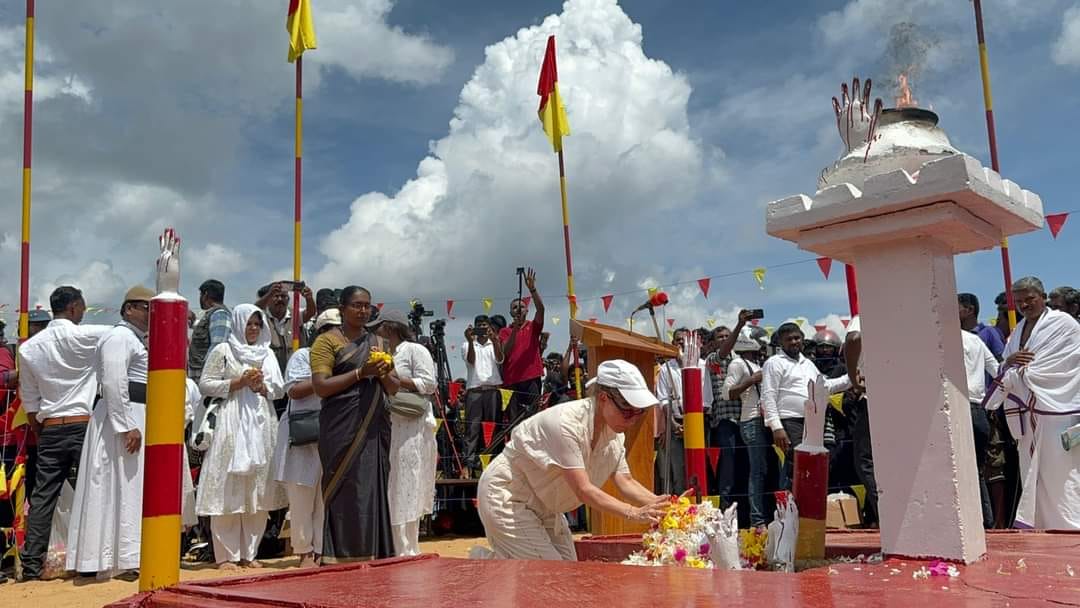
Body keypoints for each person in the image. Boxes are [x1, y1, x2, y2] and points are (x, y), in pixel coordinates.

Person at [478, 360, 674, 560]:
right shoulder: (566, 423)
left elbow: (626, 481)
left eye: (639, 411)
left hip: (546, 504)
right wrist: (634, 513)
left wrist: (669, 507)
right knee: (550, 575)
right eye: (627, 410)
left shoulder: (614, 436)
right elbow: (584, 490)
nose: (633, 419)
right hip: (508, 495)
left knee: (567, 570)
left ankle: (496, 571)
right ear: (604, 398)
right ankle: (482, 576)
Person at [16, 286, 111, 581]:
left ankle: (31, 566)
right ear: (72, 308)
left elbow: (30, 401)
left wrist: (41, 431)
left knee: (43, 497)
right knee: (92, 494)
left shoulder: (28, 348)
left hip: (51, 426)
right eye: (82, 307)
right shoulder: (92, 336)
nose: (83, 312)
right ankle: (90, 562)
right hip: (84, 424)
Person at [64, 286, 154, 580]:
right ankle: (120, 558)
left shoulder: (136, 340)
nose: (149, 313)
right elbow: (115, 382)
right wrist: (125, 424)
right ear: (128, 309)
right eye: (144, 307)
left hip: (134, 412)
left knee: (126, 488)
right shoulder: (119, 337)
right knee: (121, 486)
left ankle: (119, 555)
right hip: (123, 417)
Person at [310, 286, 399, 563]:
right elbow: (321, 387)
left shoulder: (379, 343)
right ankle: (339, 555)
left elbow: (394, 388)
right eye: (357, 305)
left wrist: (382, 374)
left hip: (373, 426)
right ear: (342, 308)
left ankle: (374, 552)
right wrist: (361, 372)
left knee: (371, 488)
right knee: (344, 488)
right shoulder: (326, 342)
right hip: (340, 427)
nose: (363, 311)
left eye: (367, 306)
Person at [984, 277, 1080, 529]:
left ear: (1043, 296)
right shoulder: (1017, 330)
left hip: (1055, 407)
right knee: (1030, 468)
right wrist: (1011, 363)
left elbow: (1062, 364)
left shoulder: (1063, 323)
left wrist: (1022, 372)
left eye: (1030, 299)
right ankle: (1040, 523)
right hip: (1026, 413)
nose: (1025, 305)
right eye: (1019, 301)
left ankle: (1070, 523)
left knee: (1060, 469)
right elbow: (1007, 365)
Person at [196, 304, 286, 569]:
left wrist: (261, 387)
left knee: (257, 491)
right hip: (231, 420)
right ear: (238, 324)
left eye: (258, 324)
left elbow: (279, 390)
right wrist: (238, 383)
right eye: (249, 324)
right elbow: (206, 383)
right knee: (227, 486)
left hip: (260, 420)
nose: (254, 329)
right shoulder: (224, 350)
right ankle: (225, 555)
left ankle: (249, 553)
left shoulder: (266, 354)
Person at [270, 309, 340, 568]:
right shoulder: (303, 355)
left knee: (325, 495)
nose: (335, 334)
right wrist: (323, 377)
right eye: (330, 329)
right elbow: (294, 391)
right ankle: (304, 552)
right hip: (302, 433)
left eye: (339, 329)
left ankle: (321, 550)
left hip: (330, 433)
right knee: (301, 495)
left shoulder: (344, 358)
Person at [370, 309, 438, 557]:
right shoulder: (386, 353)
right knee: (394, 482)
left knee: (409, 479)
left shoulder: (414, 350)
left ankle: (408, 547)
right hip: (391, 422)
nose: (376, 332)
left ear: (390, 327)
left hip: (413, 424)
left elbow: (429, 384)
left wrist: (395, 378)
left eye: (380, 327)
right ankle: (395, 545)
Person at [762, 323, 850, 491]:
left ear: (802, 338)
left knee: (814, 464)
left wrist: (851, 377)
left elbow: (825, 386)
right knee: (797, 464)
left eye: (797, 338)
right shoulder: (773, 363)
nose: (794, 342)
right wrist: (776, 427)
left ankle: (808, 511)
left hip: (813, 421)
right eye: (789, 339)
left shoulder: (808, 364)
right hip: (790, 421)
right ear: (780, 342)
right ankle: (790, 510)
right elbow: (768, 396)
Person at [655, 327, 713, 495]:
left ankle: (701, 507)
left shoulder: (702, 366)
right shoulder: (666, 368)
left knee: (699, 468)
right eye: (678, 340)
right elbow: (663, 398)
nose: (681, 343)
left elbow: (707, 401)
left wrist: (691, 425)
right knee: (678, 471)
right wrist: (672, 423)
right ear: (673, 344)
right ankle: (683, 509)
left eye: (685, 340)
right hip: (675, 424)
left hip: (698, 424)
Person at [723, 328, 769, 528]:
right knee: (757, 472)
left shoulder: (756, 363)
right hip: (751, 421)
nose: (763, 342)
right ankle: (757, 520)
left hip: (763, 421)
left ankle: (762, 515)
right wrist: (752, 379)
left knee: (765, 470)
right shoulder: (738, 363)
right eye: (759, 339)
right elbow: (728, 393)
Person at [960, 320, 1000, 529]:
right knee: (977, 470)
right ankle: (985, 521)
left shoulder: (943, 343)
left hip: (958, 408)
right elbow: (998, 372)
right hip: (979, 410)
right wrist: (993, 404)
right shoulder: (975, 340)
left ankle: (974, 523)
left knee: (960, 470)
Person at [843, 315, 879, 526]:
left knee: (866, 461)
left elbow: (854, 338)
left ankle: (885, 516)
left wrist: (852, 377)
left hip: (873, 396)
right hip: (904, 397)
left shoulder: (865, 314)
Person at [500, 268, 545, 426]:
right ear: (510, 312)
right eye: (515, 308)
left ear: (527, 310)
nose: (518, 309)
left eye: (521, 306)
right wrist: (515, 330)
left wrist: (532, 289)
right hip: (512, 380)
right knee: (514, 420)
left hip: (532, 378)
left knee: (533, 418)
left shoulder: (533, 327)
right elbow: (505, 352)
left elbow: (541, 309)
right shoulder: (505, 331)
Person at [463, 314, 504, 475]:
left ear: (490, 327)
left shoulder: (494, 342)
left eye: (484, 326)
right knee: (472, 429)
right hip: (474, 390)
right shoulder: (466, 344)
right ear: (474, 327)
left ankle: (492, 463)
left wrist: (495, 340)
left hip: (492, 390)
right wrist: (470, 341)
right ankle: (469, 464)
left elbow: (501, 360)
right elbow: (471, 361)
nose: (481, 329)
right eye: (478, 325)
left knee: (493, 428)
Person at [255, 281, 317, 379]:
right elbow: (252, 309)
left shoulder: (295, 314)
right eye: (276, 296)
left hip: (295, 374)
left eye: (283, 296)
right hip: (270, 374)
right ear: (269, 299)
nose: (280, 299)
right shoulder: (262, 317)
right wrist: (269, 293)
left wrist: (309, 298)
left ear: (288, 299)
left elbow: (310, 312)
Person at [189, 279, 230, 381]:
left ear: (205, 295)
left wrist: (207, 378)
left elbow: (217, 349)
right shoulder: (212, 315)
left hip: (206, 379)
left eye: (200, 295)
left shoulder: (220, 314)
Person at [959, 293, 1006, 361]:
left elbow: (1002, 361)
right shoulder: (956, 337)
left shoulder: (989, 332)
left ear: (969, 310)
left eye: (955, 308)